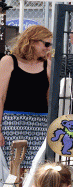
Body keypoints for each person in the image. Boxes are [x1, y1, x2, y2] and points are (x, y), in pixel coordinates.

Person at [0, 25, 53, 172]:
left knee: (37, 170)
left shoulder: (47, 65)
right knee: (13, 170)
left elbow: (50, 99)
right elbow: (0, 97)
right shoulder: (8, 61)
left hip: (40, 123)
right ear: (32, 41)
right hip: (12, 122)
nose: (48, 48)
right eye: (46, 44)